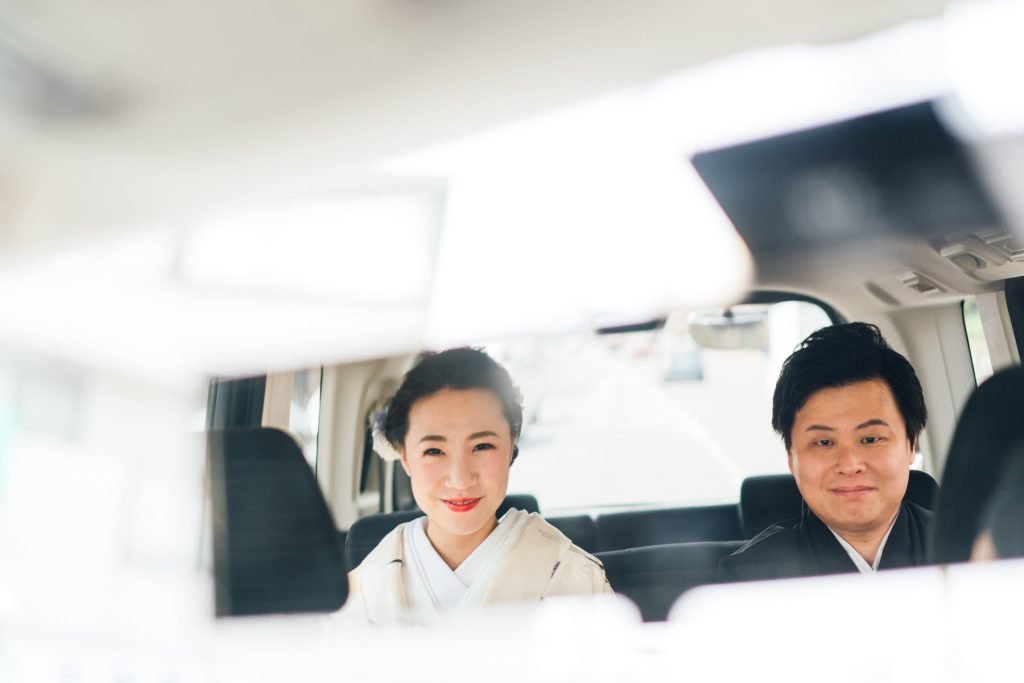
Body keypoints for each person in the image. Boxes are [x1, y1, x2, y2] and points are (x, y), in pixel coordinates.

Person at [345, 347, 611, 625]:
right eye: (434, 451)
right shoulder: (363, 592)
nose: (460, 479)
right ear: (405, 458)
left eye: (482, 446)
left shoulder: (575, 577)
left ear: (511, 447)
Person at [719, 322, 933, 581]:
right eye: (824, 443)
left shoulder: (973, 549)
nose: (850, 464)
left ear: (911, 444)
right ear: (791, 457)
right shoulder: (749, 578)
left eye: (870, 438)